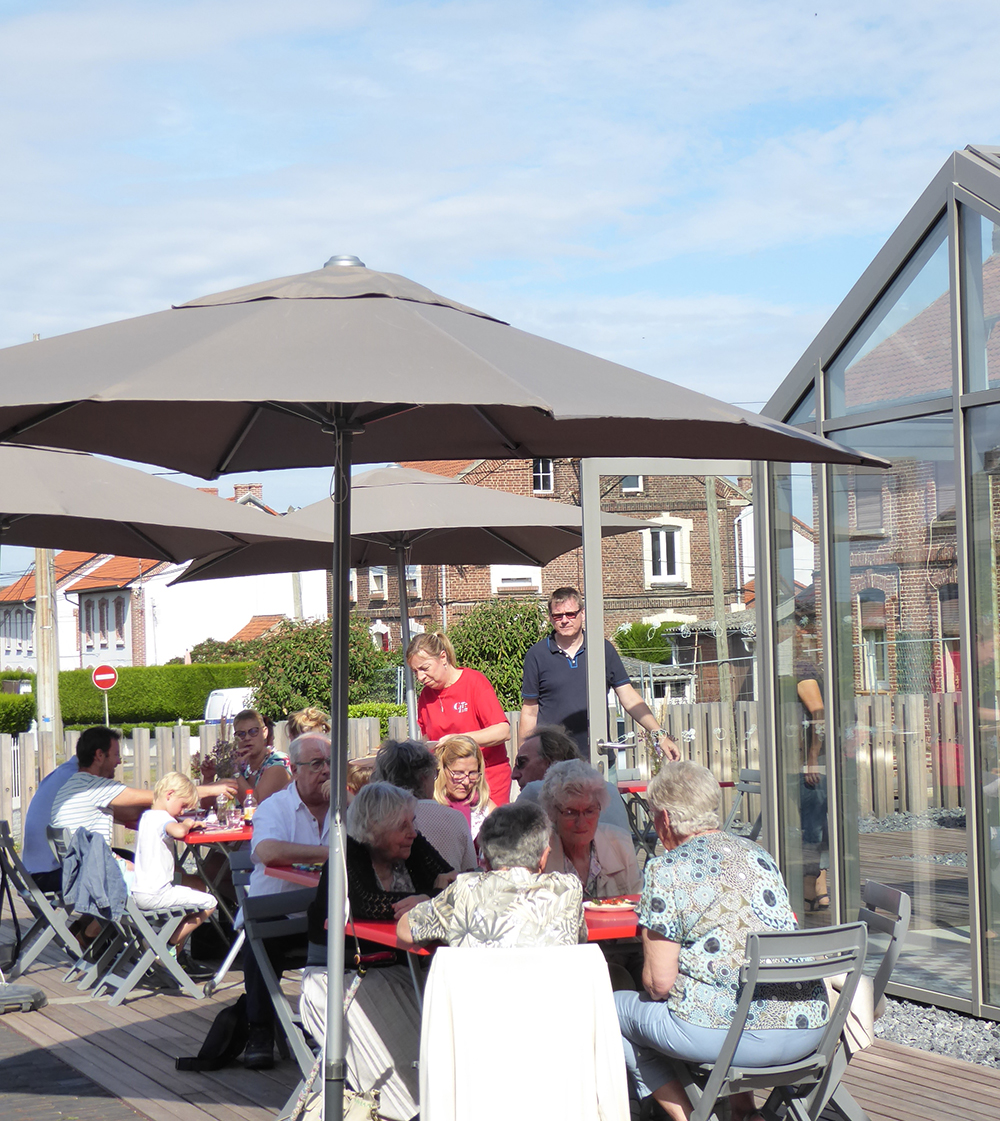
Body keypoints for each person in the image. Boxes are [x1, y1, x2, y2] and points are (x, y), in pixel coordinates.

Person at [615, 762, 828, 1121]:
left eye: (653, 817)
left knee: (612, 1009)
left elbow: (658, 984)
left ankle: (691, 1116)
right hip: (810, 1026)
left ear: (664, 819)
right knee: (729, 985)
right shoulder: (758, 855)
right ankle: (744, 1112)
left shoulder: (666, 870)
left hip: (729, 1038)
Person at [299, 782, 454, 1121]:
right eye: (403, 825)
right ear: (373, 828)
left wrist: (429, 899)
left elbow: (452, 882)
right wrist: (431, 900)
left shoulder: (410, 846)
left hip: (404, 969)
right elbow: (364, 903)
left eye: (412, 822)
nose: (413, 832)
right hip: (341, 978)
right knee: (410, 1064)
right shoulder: (346, 853)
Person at [242, 732, 331, 1069]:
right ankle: (260, 1029)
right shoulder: (276, 806)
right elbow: (268, 851)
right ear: (294, 769)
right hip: (278, 915)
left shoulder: (344, 808)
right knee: (259, 942)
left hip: (325, 917)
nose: (325, 772)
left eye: (330, 764)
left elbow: (374, 833)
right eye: (317, 764)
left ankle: (332, 1028)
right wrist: (330, 853)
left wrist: (347, 799)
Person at [396, 800, 585, 949]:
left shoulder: (465, 889)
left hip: (479, 998)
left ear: (485, 856)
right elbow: (581, 937)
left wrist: (435, 900)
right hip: (549, 998)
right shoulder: (567, 889)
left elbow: (405, 929)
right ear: (543, 857)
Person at [519, 587, 680, 760]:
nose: (564, 620)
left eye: (571, 614)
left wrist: (660, 735)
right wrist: (524, 758)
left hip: (598, 757)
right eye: (558, 616)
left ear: (583, 614)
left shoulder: (602, 649)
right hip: (552, 760)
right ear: (551, 618)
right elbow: (530, 711)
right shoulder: (537, 655)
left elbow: (629, 697)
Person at [407, 631, 513, 804]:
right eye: (415, 671)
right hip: (448, 785)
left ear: (443, 658)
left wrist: (459, 739)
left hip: (485, 779)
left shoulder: (473, 682)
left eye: (425, 668)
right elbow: (427, 739)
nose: (420, 677)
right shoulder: (426, 696)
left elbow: (502, 731)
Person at [131, 771, 217, 974]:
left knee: (188, 895)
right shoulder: (163, 818)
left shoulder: (146, 817)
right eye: (183, 805)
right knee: (209, 902)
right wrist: (186, 824)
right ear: (169, 795)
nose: (182, 812)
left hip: (139, 893)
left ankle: (164, 944)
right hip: (157, 893)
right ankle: (168, 945)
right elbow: (177, 831)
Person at [539, 758, 641, 899]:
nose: (581, 822)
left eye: (589, 811)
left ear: (599, 808)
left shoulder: (621, 844)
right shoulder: (541, 854)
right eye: (570, 812)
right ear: (553, 813)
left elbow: (639, 902)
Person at [373, 739, 478, 872]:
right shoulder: (455, 818)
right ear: (424, 777)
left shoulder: (374, 819)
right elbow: (469, 874)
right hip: (446, 891)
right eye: (434, 774)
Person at [513, 723, 631, 833]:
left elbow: (507, 847)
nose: (514, 775)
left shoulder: (534, 791)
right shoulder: (610, 790)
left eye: (521, 763)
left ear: (550, 763)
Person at [200, 708, 291, 806]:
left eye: (253, 732)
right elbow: (207, 805)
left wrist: (235, 772)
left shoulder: (277, 762)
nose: (247, 738)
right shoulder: (241, 763)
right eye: (241, 734)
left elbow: (254, 804)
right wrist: (208, 777)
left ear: (264, 732)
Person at [21, 752, 79, 892]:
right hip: (51, 875)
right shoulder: (77, 779)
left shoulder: (61, 774)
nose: (119, 762)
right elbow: (127, 812)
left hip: (34, 874)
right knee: (123, 867)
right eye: (116, 755)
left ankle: (92, 914)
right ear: (99, 755)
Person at [432, 735, 497, 843]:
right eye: (458, 774)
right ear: (442, 770)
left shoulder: (486, 810)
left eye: (472, 773)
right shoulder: (430, 808)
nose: (466, 782)